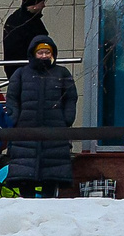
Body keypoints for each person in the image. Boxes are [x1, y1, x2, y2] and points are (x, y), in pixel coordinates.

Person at [6, 35, 78, 198]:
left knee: (51, 178)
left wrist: (67, 119)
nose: (44, 56)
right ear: (33, 54)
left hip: (55, 132)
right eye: (40, 53)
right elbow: (12, 98)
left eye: (47, 52)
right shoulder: (21, 74)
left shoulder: (62, 72)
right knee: (25, 178)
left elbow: (70, 98)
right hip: (25, 131)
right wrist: (14, 119)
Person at [1, 0, 51, 79]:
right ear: (35, 4)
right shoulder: (30, 22)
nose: (44, 5)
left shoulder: (16, 19)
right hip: (28, 69)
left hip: (17, 69)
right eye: (42, 2)